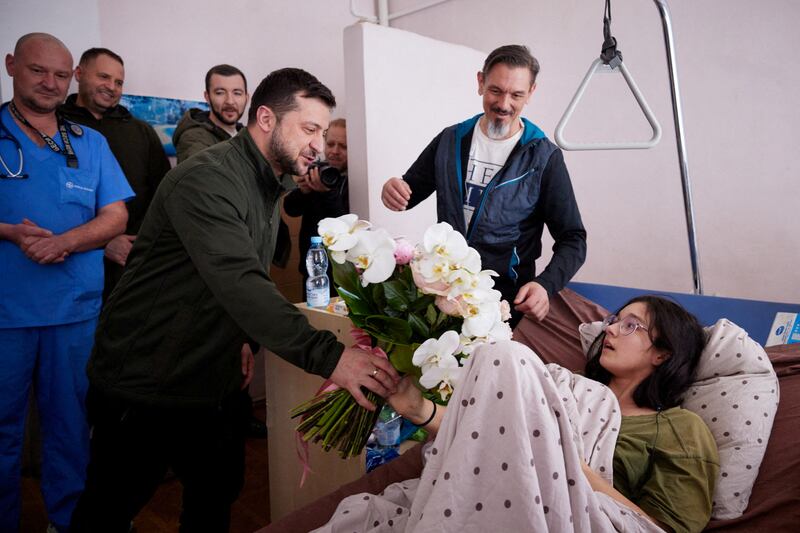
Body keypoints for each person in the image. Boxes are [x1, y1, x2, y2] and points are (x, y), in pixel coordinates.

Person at [69, 68, 400, 533]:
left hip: (212, 375)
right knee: (108, 509)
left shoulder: (268, 183)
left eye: (324, 133)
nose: (319, 145)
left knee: (216, 493)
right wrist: (332, 358)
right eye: (309, 129)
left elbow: (234, 276)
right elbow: (241, 282)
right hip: (145, 378)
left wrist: (242, 338)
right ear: (266, 118)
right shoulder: (207, 179)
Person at [316, 296, 719, 532]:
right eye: (614, 320)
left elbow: (662, 529)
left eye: (632, 326)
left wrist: (570, 468)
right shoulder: (561, 385)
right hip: (497, 487)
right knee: (498, 359)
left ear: (664, 352)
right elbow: (489, 442)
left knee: (507, 356)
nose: (610, 330)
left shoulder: (680, 428)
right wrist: (417, 408)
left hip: (576, 516)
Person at [0, 33, 133, 533]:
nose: (50, 83)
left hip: (73, 314)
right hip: (6, 316)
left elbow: (115, 216)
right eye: (38, 71)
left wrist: (66, 242)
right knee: (1, 433)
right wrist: (8, 232)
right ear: (12, 65)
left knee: (71, 430)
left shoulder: (90, 144)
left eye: (59, 74)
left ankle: (69, 522)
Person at [381, 44, 586, 327]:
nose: (504, 104)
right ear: (480, 83)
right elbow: (407, 193)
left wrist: (545, 285)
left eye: (517, 95)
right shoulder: (450, 140)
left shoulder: (543, 157)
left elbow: (573, 238)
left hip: (504, 301)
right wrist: (391, 189)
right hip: (445, 292)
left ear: (531, 93)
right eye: (495, 91)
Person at [59, 47, 171, 300]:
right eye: (103, 77)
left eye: (118, 82)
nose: (111, 86)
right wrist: (102, 243)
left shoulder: (141, 132)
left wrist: (141, 242)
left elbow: (163, 193)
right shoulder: (55, 124)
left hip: (132, 263)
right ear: (79, 73)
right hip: (68, 263)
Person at [283, 117, 349, 296]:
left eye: (343, 146)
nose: (335, 151)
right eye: (331, 144)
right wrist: (304, 191)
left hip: (342, 275)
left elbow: (343, 225)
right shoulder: (316, 171)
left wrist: (327, 192)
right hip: (311, 270)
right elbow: (290, 209)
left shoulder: (356, 181)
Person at [172, 63, 248, 163]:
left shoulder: (245, 134)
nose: (230, 101)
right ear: (207, 97)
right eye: (220, 93)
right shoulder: (194, 139)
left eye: (237, 93)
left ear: (247, 98)